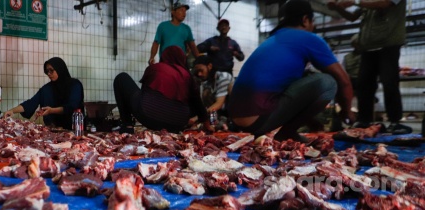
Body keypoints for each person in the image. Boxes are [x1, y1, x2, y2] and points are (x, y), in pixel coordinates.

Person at [227, 0, 354, 142]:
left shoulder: (273, 39)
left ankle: (289, 132)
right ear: (305, 20)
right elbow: (344, 80)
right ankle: (287, 133)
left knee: (304, 78)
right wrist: (347, 112)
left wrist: (309, 120)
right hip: (257, 120)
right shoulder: (308, 38)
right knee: (328, 83)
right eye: (312, 22)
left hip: (237, 118)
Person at [328, 0, 408, 134]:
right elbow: (352, 17)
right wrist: (338, 8)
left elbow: (384, 4)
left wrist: (355, 1)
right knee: (364, 84)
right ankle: (364, 120)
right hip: (368, 47)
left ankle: (395, 122)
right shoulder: (368, 2)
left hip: (388, 45)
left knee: (389, 82)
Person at [113, 46, 208, 133]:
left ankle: (127, 126)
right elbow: (198, 105)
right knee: (190, 99)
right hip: (177, 125)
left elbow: (144, 94)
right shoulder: (187, 75)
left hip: (148, 118)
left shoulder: (155, 68)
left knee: (121, 78)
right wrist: (207, 125)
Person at [3, 57, 84, 130]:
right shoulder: (47, 89)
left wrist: (51, 110)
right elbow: (31, 103)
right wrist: (12, 111)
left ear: (59, 69)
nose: (48, 74)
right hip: (53, 130)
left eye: (51, 70)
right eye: (47, 71)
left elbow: (72, 106)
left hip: (74, 130)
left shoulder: (74, 85)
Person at [149, 1, 201, 66]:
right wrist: (152, 57)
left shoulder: (186, 28)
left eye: (185, 11)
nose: (184, 13)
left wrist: (200, 60)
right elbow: (156, 43)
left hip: (180, 63)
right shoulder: (163, 26)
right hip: (165, 62)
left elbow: (192, 46)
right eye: (181, 10)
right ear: (173, 12)